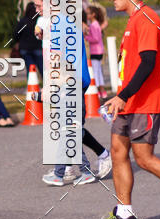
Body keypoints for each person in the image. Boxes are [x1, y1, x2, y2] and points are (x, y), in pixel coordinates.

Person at [96, 0, 160, 219]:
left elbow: (148, 64)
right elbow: (131, 67)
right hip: (128, 102)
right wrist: (117, 96)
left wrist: (122, 95)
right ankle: (124, 213)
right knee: (119, 151)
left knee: (145, 159)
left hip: (144, 103)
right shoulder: (133, 19)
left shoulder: (147, 18)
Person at [42, 37, 112, 185]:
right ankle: (61, 173)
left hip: (72, 119)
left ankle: (81, 172)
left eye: (55, 75)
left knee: (70, 143)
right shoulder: (64, 86)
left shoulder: (71, 88)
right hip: (68, 119)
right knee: (67, 143)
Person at [13, 1, 43, 77]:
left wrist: (18, 41)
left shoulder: (23, 21)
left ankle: (31, 85)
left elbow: (16, 34)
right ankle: (47, 84)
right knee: (42, 68)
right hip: (37, 47)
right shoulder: (39, 21)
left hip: (25, 48)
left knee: (30, 68)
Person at [84, 5, 107, 99]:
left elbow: (96, 38)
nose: (87, 15)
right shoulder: (96, 24)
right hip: (98, 51)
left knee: (95, 72)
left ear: (93, 15)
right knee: (98, 71)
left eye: (88, 13)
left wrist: (86, 37)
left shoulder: (94, 25)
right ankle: (102, 91)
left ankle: (98, 90)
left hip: (95, 52)